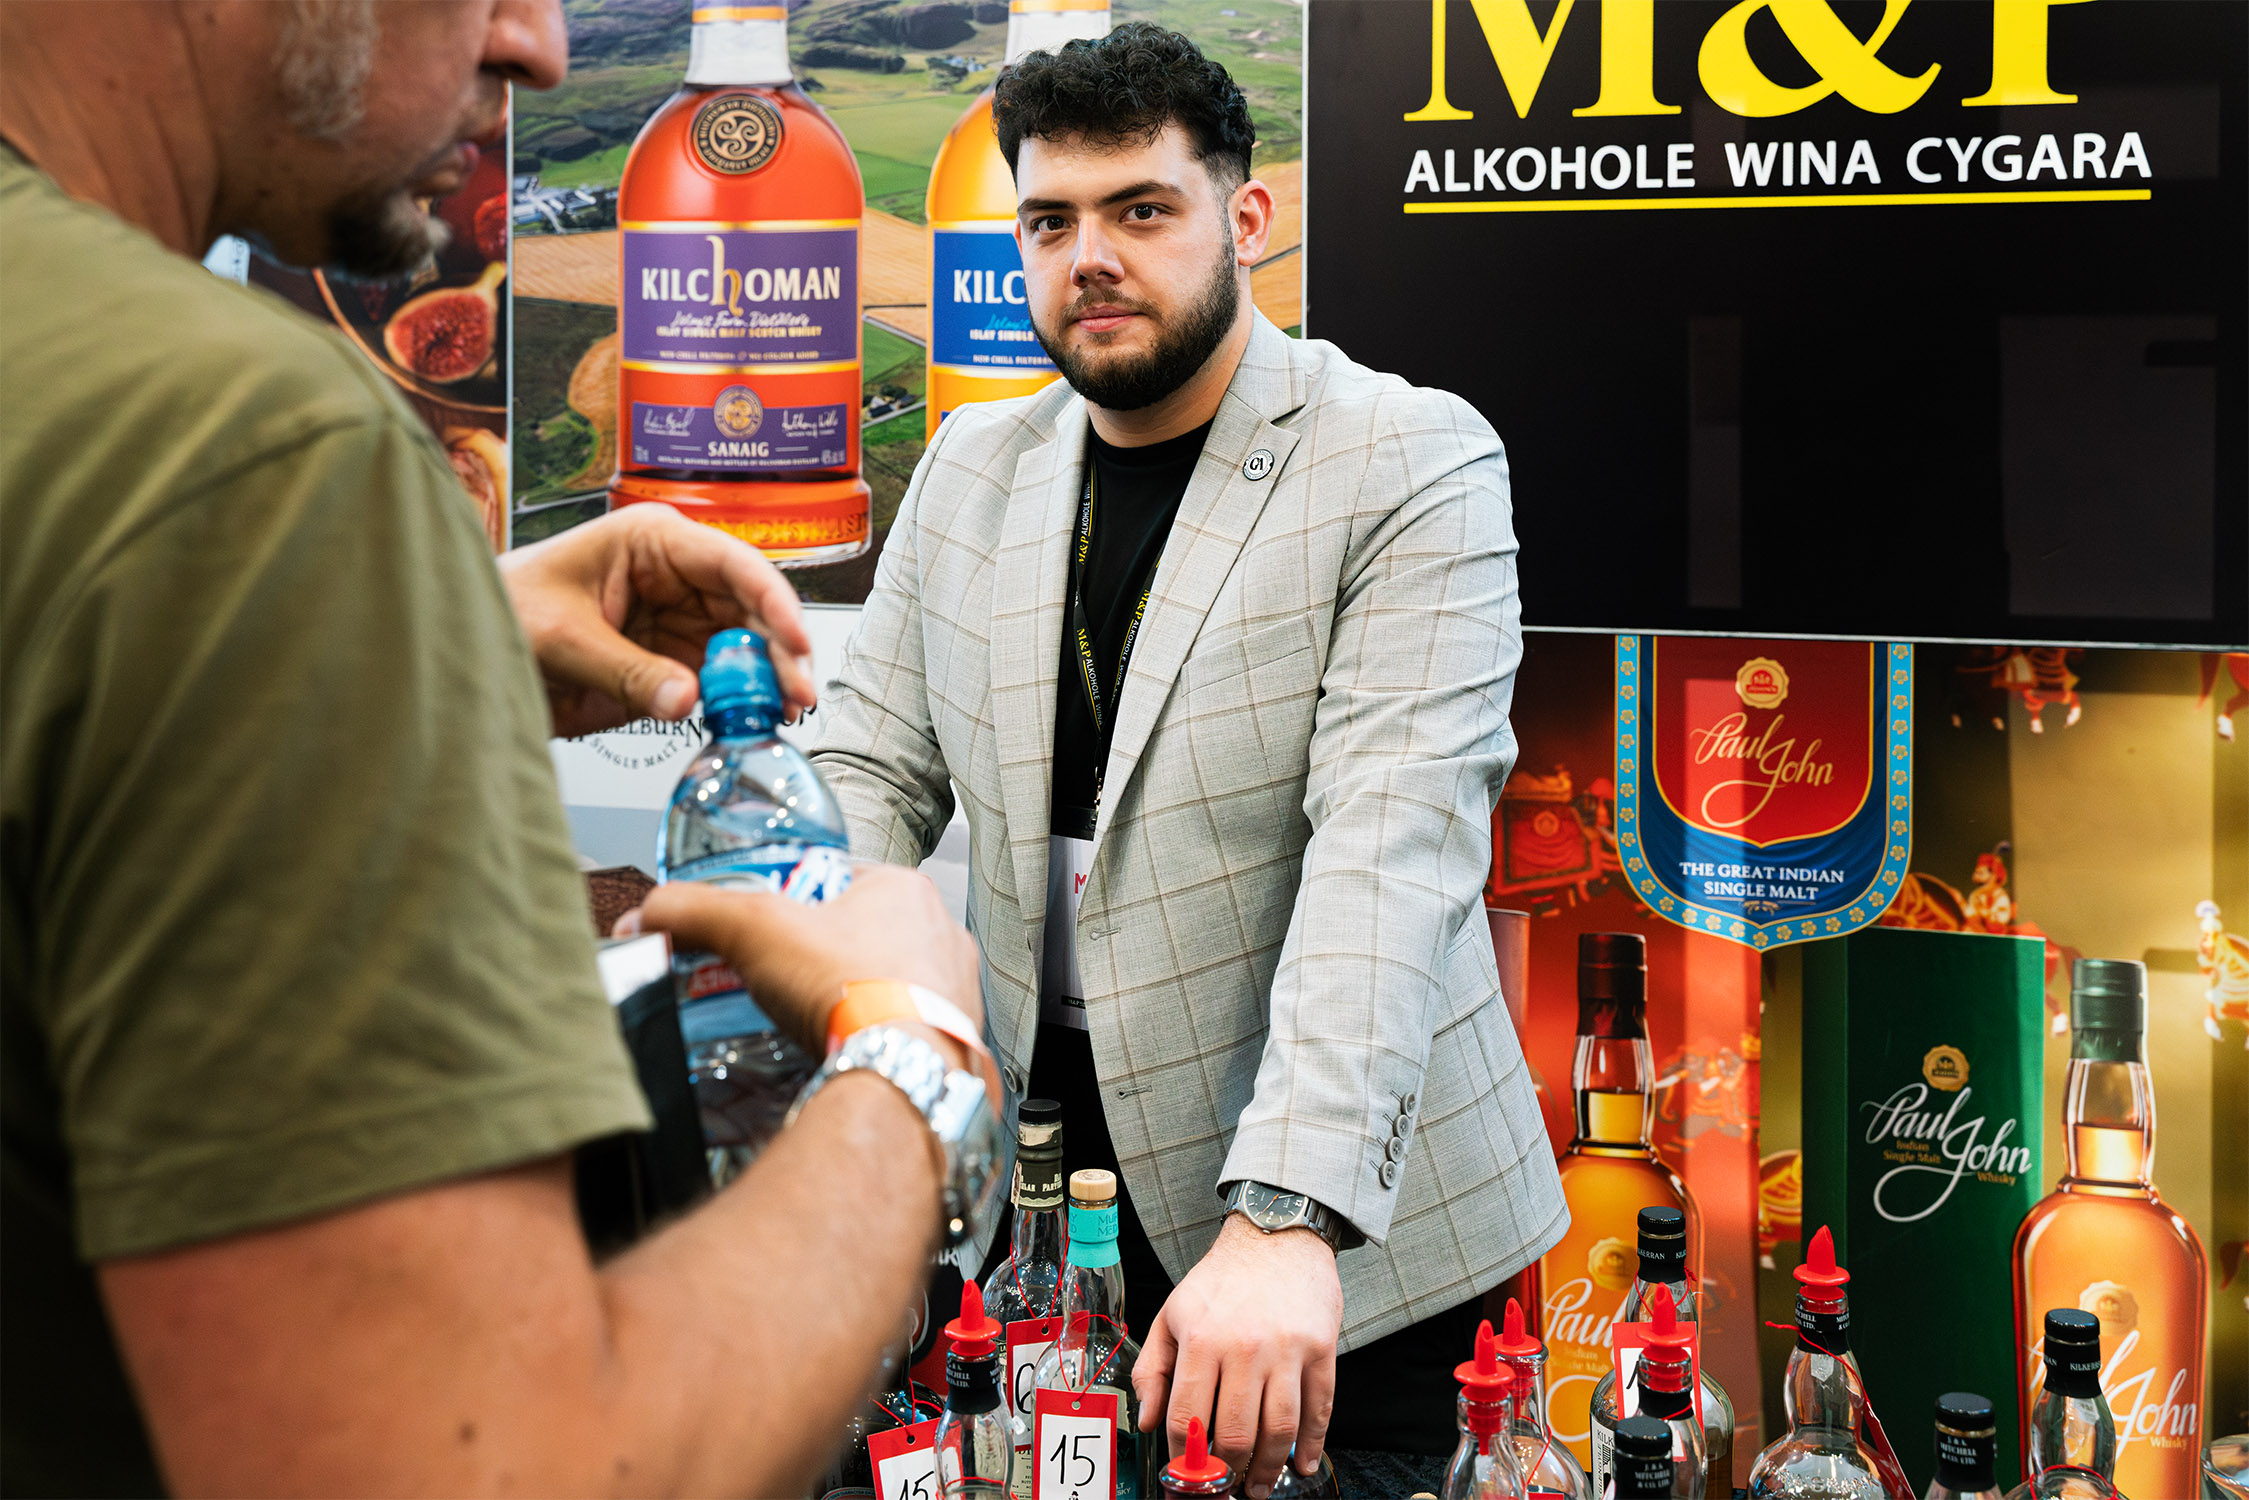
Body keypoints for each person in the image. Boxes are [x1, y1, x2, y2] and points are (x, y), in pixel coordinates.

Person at [0, 3, 993, 1495]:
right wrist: (910, 1059)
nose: (537, 44)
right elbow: (501, 1468)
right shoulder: (244, 454)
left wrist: (402, 643)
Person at [807, 21, 1567, 1498]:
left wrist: (1286, 1219)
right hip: (1043, 1213)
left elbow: (1389, 855)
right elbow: (867, 774)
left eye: (1141, 209)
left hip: (1340, 1238)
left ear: (1247, 217)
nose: (1089, 257)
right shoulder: (969, 467)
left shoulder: (1408, 460)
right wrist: (815, 1044)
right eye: (1049, 221)